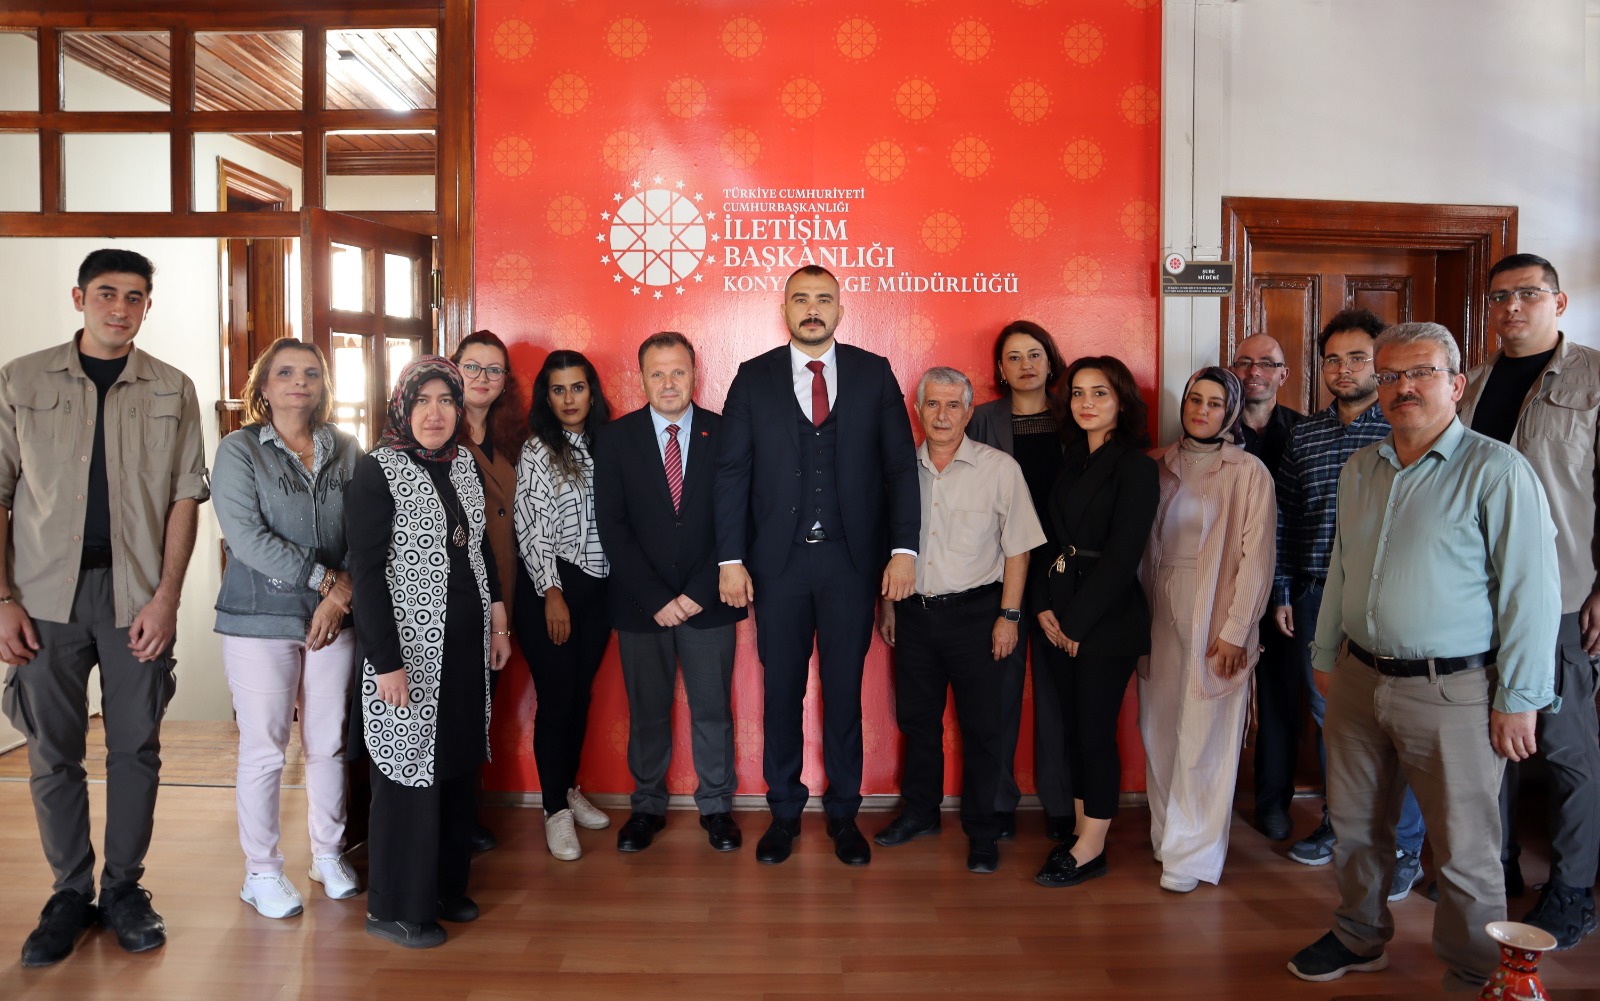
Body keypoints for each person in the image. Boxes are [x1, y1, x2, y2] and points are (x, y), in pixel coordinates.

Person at [1287, 322, 1559, 990]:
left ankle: (1474, 970)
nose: (1402, 387)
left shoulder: (1498, 471)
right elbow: (1341, 569)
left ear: (1456, 384)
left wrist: (1520, 697)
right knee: (1354, 825)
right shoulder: (1361, 468)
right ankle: (1359, 933)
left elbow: (1533, 591)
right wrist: (1326, 653)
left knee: (1464, 848)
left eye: (1421, 373)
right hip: (1355, 677)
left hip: (1455, 691)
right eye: (1389, 375)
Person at [1, 249, 208, 967]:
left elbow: (186, 496)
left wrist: (167, 598)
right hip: (40, 599)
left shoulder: (173, 389)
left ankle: (123, 889)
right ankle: (67, 893)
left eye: (135, 296)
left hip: (135, 600)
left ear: (149, 305)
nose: (120, 308)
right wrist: (1, 599)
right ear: (79, 297)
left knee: (137, 748)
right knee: (52, 751)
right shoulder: (20, 380)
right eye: (106, 294)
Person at [714, 265, 920, 867]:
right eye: (801, 299)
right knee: (780, 692)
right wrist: (731, 560)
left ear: (840, 308)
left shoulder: (872, 371)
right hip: (776, 567)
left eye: (823, 299)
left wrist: (903, 551)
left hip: (851, 565)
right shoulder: (753, 378)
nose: (812, 308)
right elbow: (732, 474)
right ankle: (782, 812)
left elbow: (899, 469)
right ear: (784, 307)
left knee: (844, 693)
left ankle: (844, 815)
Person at [1458, 253, 1600, 949]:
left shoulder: (1594, 378)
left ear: (1559, 301)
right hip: (1477, 594)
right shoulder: (1475, 382)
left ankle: (1573, 890)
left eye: (1527, 294)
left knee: (1568, 745)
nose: (1512, 306)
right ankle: (1500, 862)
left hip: (1566, 591)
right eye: (1499, 297)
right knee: (1490, 738)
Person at [345, 356, 511, 949]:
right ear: (402, 407)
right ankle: (395, 907)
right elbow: (364, 574)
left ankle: (444, 887)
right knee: (409, 777)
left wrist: (497, 621)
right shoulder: (376, 471)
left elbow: (480, 552)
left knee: (457, 767)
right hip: (408, 654)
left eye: (446, 400)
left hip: (464, 650)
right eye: (423, 402)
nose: (436, 413)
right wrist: (384, 661)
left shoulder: (463, 461)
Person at [1272, 310, 1428, 901]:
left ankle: (1404, 845)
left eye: (1357, 358)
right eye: (1332, 359)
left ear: (1381, 365)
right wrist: (1285, 590)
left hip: (1388, 600)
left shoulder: (1404, 430)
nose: (1343, 369)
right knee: (1334, 722)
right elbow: (1285, 517)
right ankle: (1341, 824)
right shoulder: (1305, 436)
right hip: (1315, 597)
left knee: (1398, 727)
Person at [211, 338, 363, 919]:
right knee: (266, 749)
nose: (299, 382)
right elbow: (246, 539)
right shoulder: (240, 450)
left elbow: (366, 526)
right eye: (285, 373)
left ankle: (326, 854)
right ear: (264, 386)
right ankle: (262, 871)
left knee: (326, 741)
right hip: (258, 620)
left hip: (334, 618)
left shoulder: (347, 449)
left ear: (323, 385)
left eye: (311, 373)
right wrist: (330, 580)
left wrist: (341, 592)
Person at [874, 367, 1044, 874]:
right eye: (932, 405)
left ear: (970, 412)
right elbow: (890, 547)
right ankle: (921, 813)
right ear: (918, 410)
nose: (942, 415)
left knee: (984, 728)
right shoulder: (900, 469)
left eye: (954, 406)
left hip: (979, 616)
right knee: (917, 723)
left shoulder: (1000, 469)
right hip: (915, 617)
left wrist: (1009, 617)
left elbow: (1019, 551)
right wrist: (888, 607)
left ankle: (983, 829)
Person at [595, 332, 747, 854]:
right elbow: (612, 527)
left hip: (710, 601)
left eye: (677, 371)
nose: (667, 383)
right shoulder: (616, 440)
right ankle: (646, 808)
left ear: (694, 374)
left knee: (712, 711)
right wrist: (659, 597)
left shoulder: (726, 434)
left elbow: (739, 520)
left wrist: (698, 591)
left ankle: (718, 809)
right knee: (648, 712)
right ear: (641, 378)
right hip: (643, 606)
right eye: (656, 373)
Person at [1140, 366, 1275, 893]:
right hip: (1157, 602)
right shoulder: (1158, 464)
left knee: (1206, 732)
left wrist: (1236, 632)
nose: (1201, 409)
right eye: (1194, 399)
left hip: (1216, 605)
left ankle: (1193, 853)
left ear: (1232, 411)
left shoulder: (1247, 472)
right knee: (1159, 726)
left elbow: (1256, 562)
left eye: (1215, 403)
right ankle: (1167, 834)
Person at [1029, 356, 1158, 887]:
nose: (1086, 403)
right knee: (1074, 730)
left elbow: (1125, 554)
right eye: (1078, 393)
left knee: (1094, 733)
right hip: (1060, 615)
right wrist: (1044, 608)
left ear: (1122, 401)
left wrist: (1076, 624)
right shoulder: (1071, 458)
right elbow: (1050, 543)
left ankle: (1092, 846)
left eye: (1099, 393)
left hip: (1106, 620)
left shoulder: (1136, 465)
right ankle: (1084, 829)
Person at [965, 320, 1071, 841]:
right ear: (1000, 369)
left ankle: (1058, 802)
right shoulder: (981, 420)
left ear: (1051, 362)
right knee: (997, 695)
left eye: (1035, 354)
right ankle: (998, 799)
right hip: (998, 571)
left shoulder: (1075, 417)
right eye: (1013, 356)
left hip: (1060, 573)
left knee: (1057, 696)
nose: (1026, 364)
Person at [514, 349, 614, 861]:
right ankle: (554, 809)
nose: (569, 398)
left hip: (599, 590)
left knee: (580, 697)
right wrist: (552, 591)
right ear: (545, 397)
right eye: (558, 389)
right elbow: (530, 529)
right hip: (551, 590)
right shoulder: (538, 450)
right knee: (556, 700)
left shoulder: (608, 443)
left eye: (577, 387)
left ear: (592, 392)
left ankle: (569, 789)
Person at [450, 330, 526, 855]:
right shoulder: (434, 429)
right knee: (452, 708)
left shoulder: (513, 435)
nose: (482, 378)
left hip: (505, 592)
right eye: (472, 367)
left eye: (494, 370)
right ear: (452, 370)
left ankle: (468, 809)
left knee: (483, 707)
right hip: (453, 596)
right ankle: (451, 816)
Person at [1229, 332, 1306, 843]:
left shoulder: (1305, 433)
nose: (1254, 370)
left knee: (1281, 698)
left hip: (1286, 592)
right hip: (1224, 585)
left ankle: (1273, 803)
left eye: (1267, 363)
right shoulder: (1212, 426)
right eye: (1244, 362)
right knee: (1217, 693)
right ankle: (1213, 799)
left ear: (1283, 374)